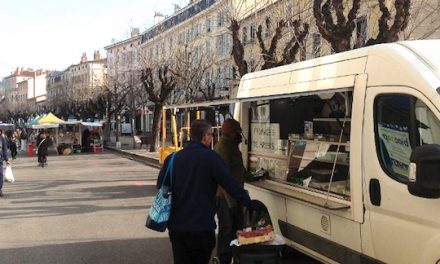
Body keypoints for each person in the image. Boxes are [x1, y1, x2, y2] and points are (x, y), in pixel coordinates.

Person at [157, 119, 251, 264]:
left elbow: (161, 185)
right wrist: (247, 202)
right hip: (202, 227)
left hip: (177, 228)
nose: (212, 138)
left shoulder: (172, 158)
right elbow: (230, 183)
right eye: (212, 135)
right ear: (205, 136)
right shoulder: (211, 158)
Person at [214, 118, 248, 264]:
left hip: (234, 196)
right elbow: (223, 178)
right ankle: (223, 259)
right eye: (237, 132)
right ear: (231, 133)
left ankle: (233, 257)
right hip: (225, 198)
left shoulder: (232, 146)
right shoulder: (223, 147)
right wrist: (231, 203)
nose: (240, 135)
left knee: (236, 229)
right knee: (227, 230)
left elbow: (238, 169)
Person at [0, 129, 11, 197]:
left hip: (0, 160)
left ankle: (0, 189)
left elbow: (4, 150)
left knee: (1, 174)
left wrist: (6, 160)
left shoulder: (2, 139)